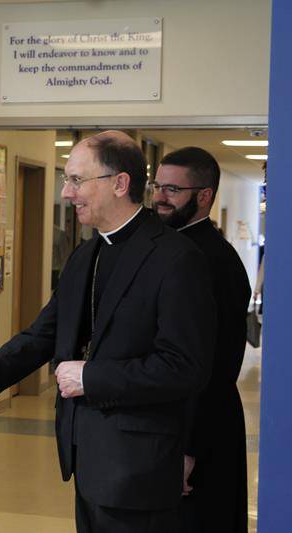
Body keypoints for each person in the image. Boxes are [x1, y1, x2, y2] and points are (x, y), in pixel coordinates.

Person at [0, 131, 215, 532]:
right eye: (66, 179)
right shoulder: (85, 255)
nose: (66, 193)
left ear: (119, 183)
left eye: (76, 180)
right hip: (87, 461)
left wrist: (91, 377)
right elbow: (38, 339)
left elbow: (184, 367)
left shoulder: (177, 258)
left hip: (140, 467)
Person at [153, 147, 250, 533]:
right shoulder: (168, 247)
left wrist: (189, 449)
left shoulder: (214, 261)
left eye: (172, 190)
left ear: (205, 196)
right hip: (171, 424)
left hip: (203, 431)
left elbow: (218, 363)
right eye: (157, 186)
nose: (160, 197)